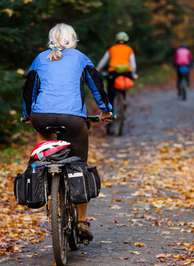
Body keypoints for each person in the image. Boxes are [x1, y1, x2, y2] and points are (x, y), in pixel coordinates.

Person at [22, 23, 112, 242]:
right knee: (79, 165)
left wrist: (27, 114)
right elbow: (97, 86)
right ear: (73, 39)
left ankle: (47, 174)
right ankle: (81, 221)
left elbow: (29, 89)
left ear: (51, 40)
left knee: (44, 144)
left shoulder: (39, 58)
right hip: (73, 118)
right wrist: (107, 111)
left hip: (40, 117)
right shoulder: (80, 58)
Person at [96, 31, 138, 107]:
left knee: (111, 91)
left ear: (116, 40)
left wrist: (97, 70)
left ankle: (110, 110)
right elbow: (133, 64)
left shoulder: (111, 49)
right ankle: (123, 100)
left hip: (113, 72)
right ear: (126, 41)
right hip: (126, 72)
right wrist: (133, 74)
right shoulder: (129, 49)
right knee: (123, 86)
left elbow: (103, 61)